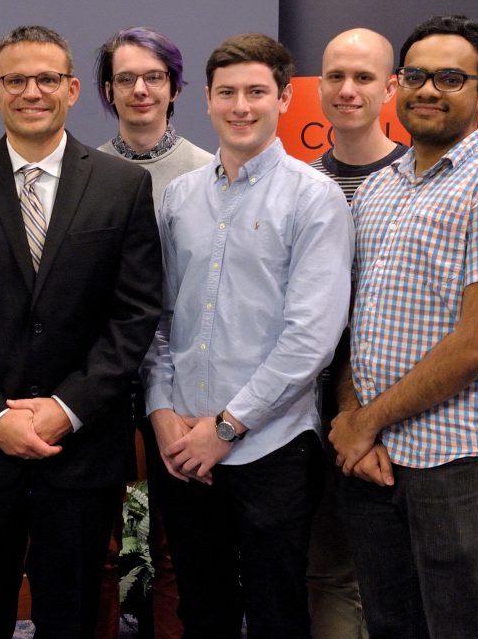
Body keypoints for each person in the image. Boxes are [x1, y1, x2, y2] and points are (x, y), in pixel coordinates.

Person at [0, 25, 162, 639]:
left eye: (47, 79)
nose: (32, 91)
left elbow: (134, 317)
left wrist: (65, 408)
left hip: (78, 453)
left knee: (73, 617)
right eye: (16, 80)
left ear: (73, 89)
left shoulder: (123, 186)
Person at [330, 15, 478, 639]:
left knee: (461, 628)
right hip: (374, 460)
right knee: (391, 626)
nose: (428, 90)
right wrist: (353, 421)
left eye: (450, 78)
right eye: (417, 75)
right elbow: (356, 322)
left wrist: (364, 423)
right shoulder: (378, 189)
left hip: (458, 457)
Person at [145, 33, 353, 638]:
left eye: (257, 92)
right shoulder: (179, 198)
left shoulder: (315, 199)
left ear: (285, 98)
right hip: (181, 446)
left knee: (276, 610)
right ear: (205, 100)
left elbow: (311, 338)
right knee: (199, 607)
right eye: (227, 92)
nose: (241, 106)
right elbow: (159, 320)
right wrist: (162, 412)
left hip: (272, 449)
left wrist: (228, 427)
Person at [93, 26, 212, 639]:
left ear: (174, 86)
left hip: (185, 381)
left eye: (154, 77)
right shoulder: (82, 173)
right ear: (107, 91)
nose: (140, 90)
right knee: (99, 546)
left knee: (176, 544)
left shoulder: (210, 172)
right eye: (126, 79)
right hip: (103, 381)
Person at [305, 28, 405, 639]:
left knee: (406, 578)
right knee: (327, 573)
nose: (347, 90)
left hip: (400, 417)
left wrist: (369, 419)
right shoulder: (303, 182)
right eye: (336, 76)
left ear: (391, 87)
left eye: (364, 78)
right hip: (309, 415)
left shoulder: (418, 182)